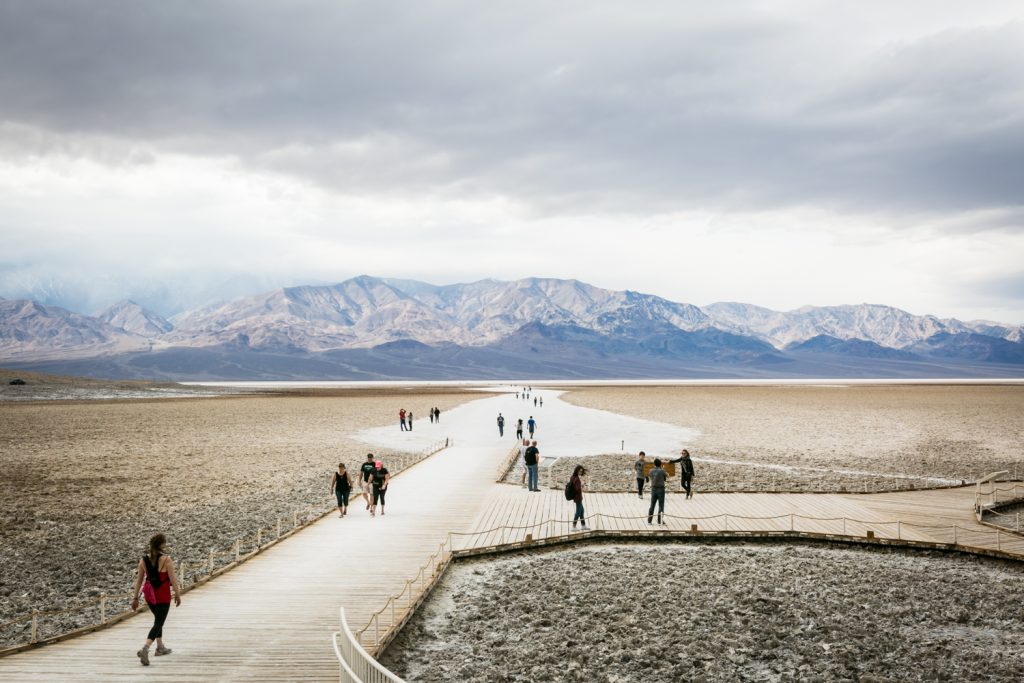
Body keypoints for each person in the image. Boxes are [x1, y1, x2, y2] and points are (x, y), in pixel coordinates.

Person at [131, 533, 181, 666]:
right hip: (163, 595)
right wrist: (177, 594)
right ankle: (145, 648)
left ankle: (160, 647)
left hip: (149, 595)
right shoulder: (166, 560)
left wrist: (135, 598)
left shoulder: (143, 560)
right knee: (159, 622)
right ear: (161, 545)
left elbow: (139, 581)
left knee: (158, 620)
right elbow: (173, 579)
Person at [647, 458, 667, 525]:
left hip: (653, 489)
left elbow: (650, 477)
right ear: (660, 464)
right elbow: (667, 476)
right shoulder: (662, 471)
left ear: (654, 464)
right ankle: (659, 520)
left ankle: (649, 521)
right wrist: (663, 469)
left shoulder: (650, 470)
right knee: (661, 505)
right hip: (661, 489)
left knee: (652, 505)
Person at [570, 465, 587, 531]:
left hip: (576, 497)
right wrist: (582, 485)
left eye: (581, 471)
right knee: (578, 512)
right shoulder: (576, 479)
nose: (580, 472)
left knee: (582, 511)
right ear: (577, 470)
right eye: (580, 471)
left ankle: (583, 525)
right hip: (578, 497)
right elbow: (577, 489)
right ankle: (574, 527)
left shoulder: (572, 477)